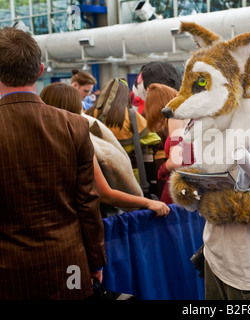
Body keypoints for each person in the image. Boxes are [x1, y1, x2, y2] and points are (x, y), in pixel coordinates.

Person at [0, 27, 105, 299]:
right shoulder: (75, 125)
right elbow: (87, 202)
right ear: (40, 70)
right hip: (69, 264)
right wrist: (95, 261)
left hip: (9, 271)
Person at [40, 82, 170, 217]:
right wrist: (146, 203)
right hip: (82, 218)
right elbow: (105, 193)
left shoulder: (39, 140)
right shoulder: (80, 142)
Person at [85, 78, 162, 197]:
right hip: (129, 171)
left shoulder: (88, 114)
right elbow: (153, 138)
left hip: (97, 173)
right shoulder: (131, 116)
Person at [144, 83, 192, 204]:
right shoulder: (191, 116)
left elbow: (176, 161)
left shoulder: (174, 117)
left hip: (181, 183)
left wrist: (162, 170)